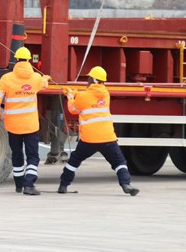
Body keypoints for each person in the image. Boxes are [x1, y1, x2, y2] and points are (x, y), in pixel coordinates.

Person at [58, 65, 139, 196]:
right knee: (119, 162)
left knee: (74, 160)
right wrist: (76, 93)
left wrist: (70, 95)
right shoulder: (105, 94)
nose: (87, 80)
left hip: (89, 139)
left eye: (89, 78)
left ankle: (63, 185)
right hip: (108, 137)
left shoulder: (84, 96)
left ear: (93, 80)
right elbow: (89, 96)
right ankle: (126, 184)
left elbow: (73, 109)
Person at [0, 46, 50, 196]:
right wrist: (45, 78)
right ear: (29, 60)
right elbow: (43, 84)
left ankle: (19, 185)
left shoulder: (7, 78)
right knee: (33, 156)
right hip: (30, 126)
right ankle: (29, 184)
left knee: (17, 154)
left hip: (13, 125)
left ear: (15, 60)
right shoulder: (36, 78)